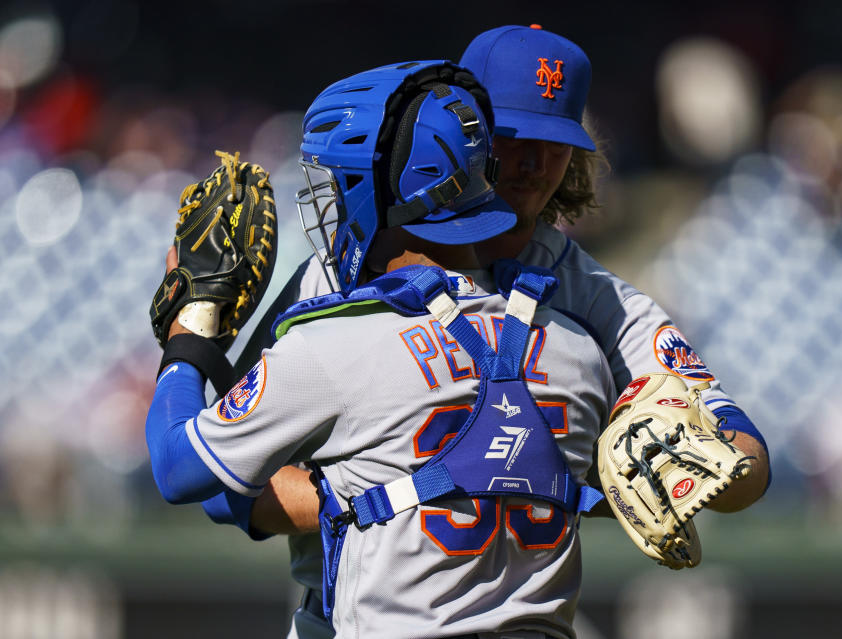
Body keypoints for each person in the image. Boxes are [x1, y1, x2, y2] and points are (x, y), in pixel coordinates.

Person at [226, 25, 770, 533]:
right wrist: (381, 500)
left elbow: (748, 458)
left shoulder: (594, 298)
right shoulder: (345, 266)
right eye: (513, 138)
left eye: (556, 143)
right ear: (462, 132)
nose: (535, 163)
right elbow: (218, 479)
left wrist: (655, 477)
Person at [147, 60, 618, 639]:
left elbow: (179, 471)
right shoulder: (580, 351)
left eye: (340, 185)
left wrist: (190, 334)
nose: (333, 206)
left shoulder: (334, 346)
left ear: (381, 191)